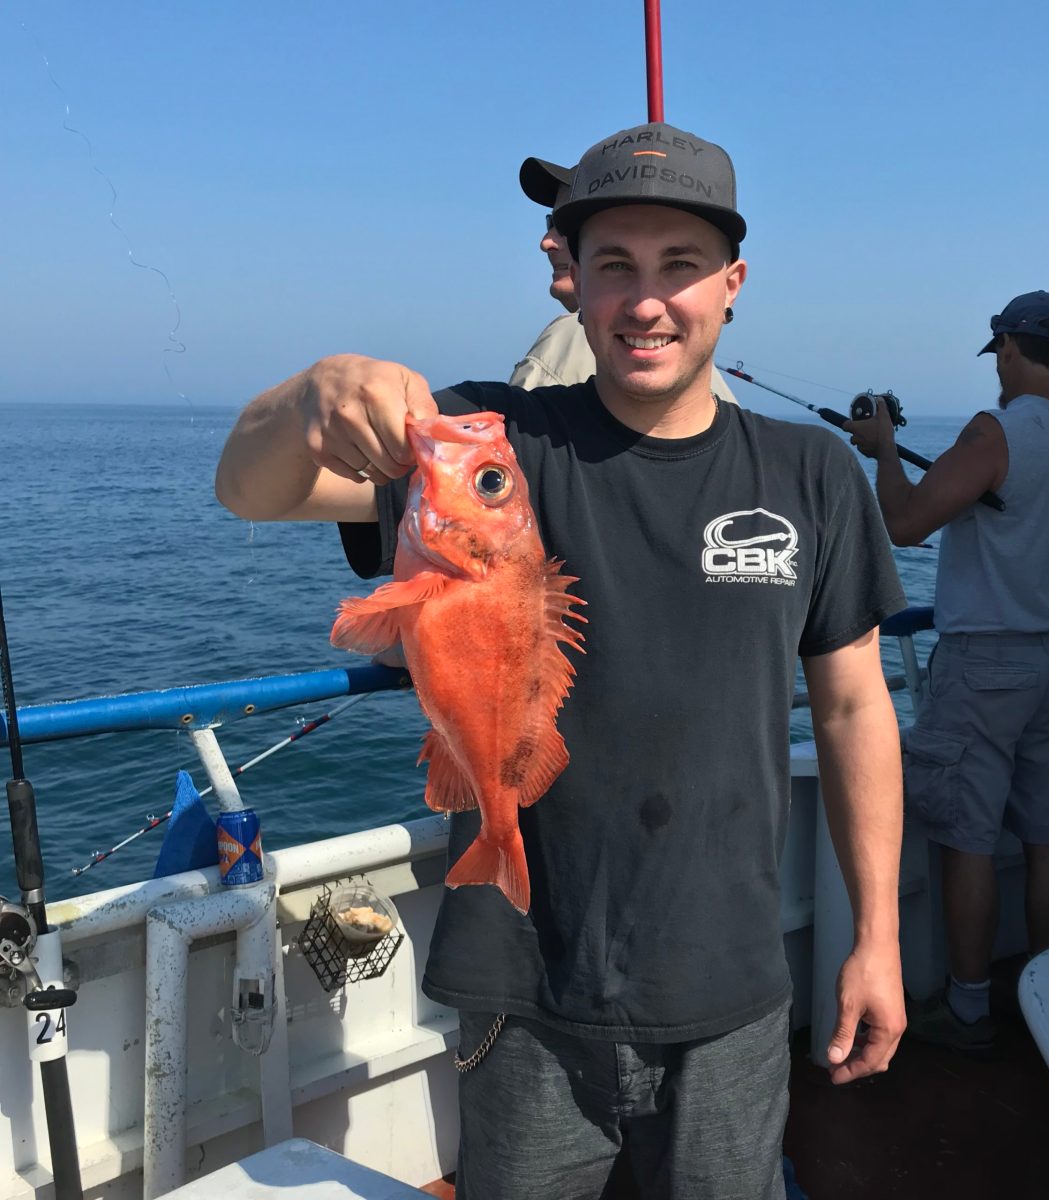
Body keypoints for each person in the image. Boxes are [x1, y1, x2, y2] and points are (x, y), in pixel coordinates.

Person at [216, 120, 907, 1200]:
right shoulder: (494, 450)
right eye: (615, 266)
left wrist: (877, 936)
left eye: (680, 267)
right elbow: (248, 492)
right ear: (569, 284)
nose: (647, 301)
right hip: (523, 987)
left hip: (734, 982)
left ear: (732, 285)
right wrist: (308, 397)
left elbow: (858, 708)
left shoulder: (812, 473)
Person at [845, 290, 1049, 1052]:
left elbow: (903, 522)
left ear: (1008, 346)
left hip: (983, 664)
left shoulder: (997, 428)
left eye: (998, 349)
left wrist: (886, 450)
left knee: (968, 836)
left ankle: (968, 1010)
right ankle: (1048, 994)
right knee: (1048, 833)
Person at [509, 155, 738, 403]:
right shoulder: (694, 367)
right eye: (550, 222)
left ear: (731, 285)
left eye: (566, 227)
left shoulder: (563, 345)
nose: (547, 243)